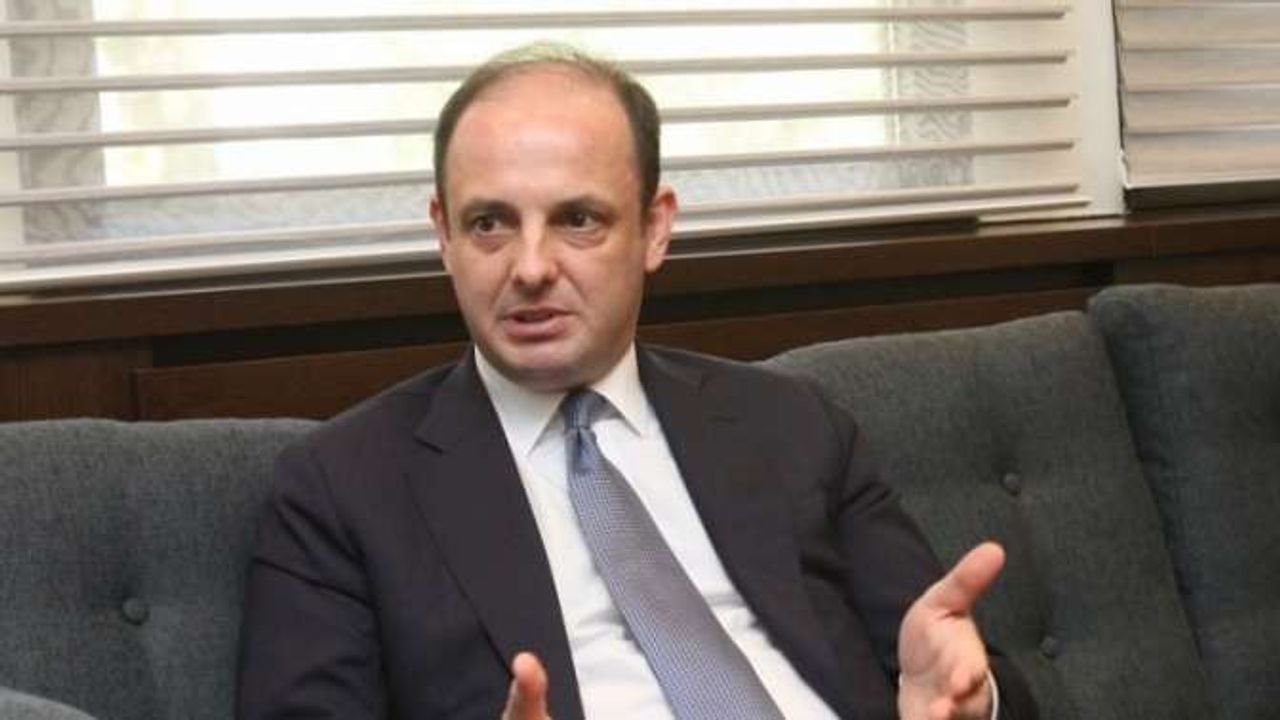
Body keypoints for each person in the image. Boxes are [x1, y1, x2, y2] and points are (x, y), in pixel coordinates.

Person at [236, 43, 1037, 720]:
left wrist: (976, 703)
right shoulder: (343, 488)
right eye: (490, 223)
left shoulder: (793, 424)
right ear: (443, 235)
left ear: (655, 229)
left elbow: (955, 665)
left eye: (578, 219)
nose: (531, 267)